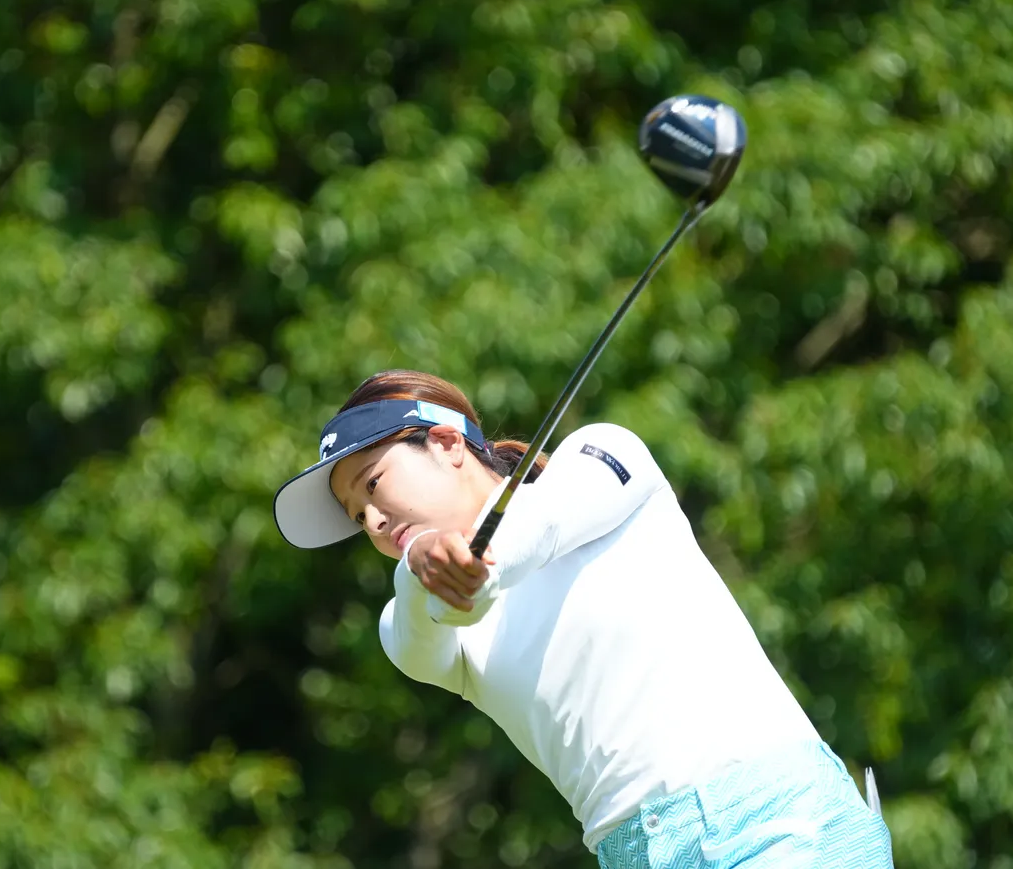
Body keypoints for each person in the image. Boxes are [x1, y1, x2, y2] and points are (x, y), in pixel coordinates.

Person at [274, 369, 894, 868]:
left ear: (446, 443)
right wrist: (425, 568)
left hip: (780, 825)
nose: (374, 521)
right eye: (356, 516)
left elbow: (539, 528)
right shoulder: (408, 622)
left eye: (373, 484)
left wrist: (476, 565)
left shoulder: (600, 457)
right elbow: (424, 621)